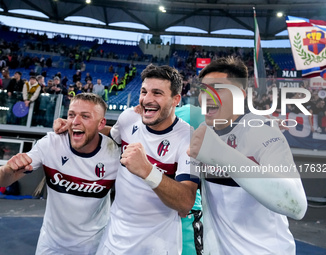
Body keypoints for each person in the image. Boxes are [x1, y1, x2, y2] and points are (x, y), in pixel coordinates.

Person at [54, 64, 200, 254]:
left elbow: (186, 202)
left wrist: (148, 171)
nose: (147, 99)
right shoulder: (129, 118)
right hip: (114, 237)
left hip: (158, 244)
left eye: (157, 93)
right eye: (144, 91)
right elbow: (111, 136)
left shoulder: (189, 138)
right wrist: (74, 126)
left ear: (176, 99)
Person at [188, 57, 307, 255]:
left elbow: (297, 206)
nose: (207, 96)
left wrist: (221, 154)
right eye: (203, 90)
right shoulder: (203, 131)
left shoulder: (262, 131)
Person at [0, 93, 120, 255]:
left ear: (101, 123)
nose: (75, 121)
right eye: (71, 115)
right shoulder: (52, 142)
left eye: (85, 116)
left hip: (94, 244)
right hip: (51, 243)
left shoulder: (115, 153)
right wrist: (8, 168)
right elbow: (5, 180)